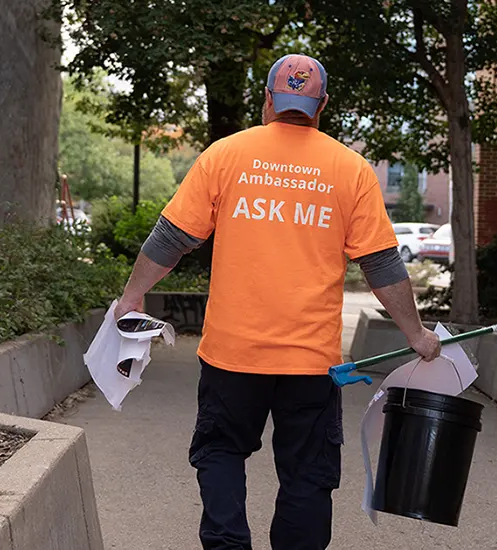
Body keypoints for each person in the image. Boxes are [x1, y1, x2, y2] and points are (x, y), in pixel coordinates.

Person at [112, 53, 442, 550]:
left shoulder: (225, 155)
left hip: (231, 356)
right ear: (321, 105)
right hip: (309, 365)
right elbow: (382, 264)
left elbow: (172, 236)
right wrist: (416, 334)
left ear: (268, 99)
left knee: (221, 452)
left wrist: (132, 294)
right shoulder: (350, 170)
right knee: (307, 475)